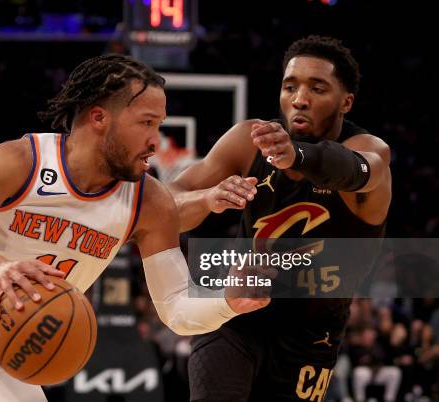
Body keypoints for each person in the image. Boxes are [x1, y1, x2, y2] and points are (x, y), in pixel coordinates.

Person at [0, 54, 269, 402]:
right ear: (99, 118)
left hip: (10, 339)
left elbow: (176, 306)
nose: (155, 140)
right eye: (146, 123)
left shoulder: (149, 201)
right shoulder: (20, 161)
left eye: (158, 126)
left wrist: (226, 303)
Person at [168, 36, 392, 401]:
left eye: (317, 88)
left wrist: (297, 157)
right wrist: (207, 198)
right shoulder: (248, 138)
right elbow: (168, 204)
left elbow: (357, 170)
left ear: (345, 102)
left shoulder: (369, 150)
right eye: (290, 87)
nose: (300, 99)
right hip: (236, 312)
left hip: (311, 335)